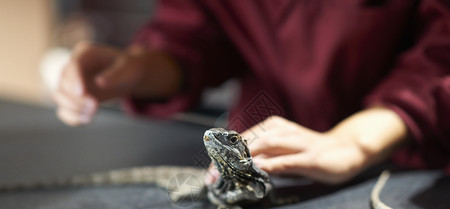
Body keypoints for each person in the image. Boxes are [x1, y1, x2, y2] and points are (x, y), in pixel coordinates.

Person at [52, 0, 450, 184]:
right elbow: (197, 31)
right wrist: (141, 67)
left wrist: (356, 141)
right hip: (259, 145)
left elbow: (441, 52)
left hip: (403, 156)